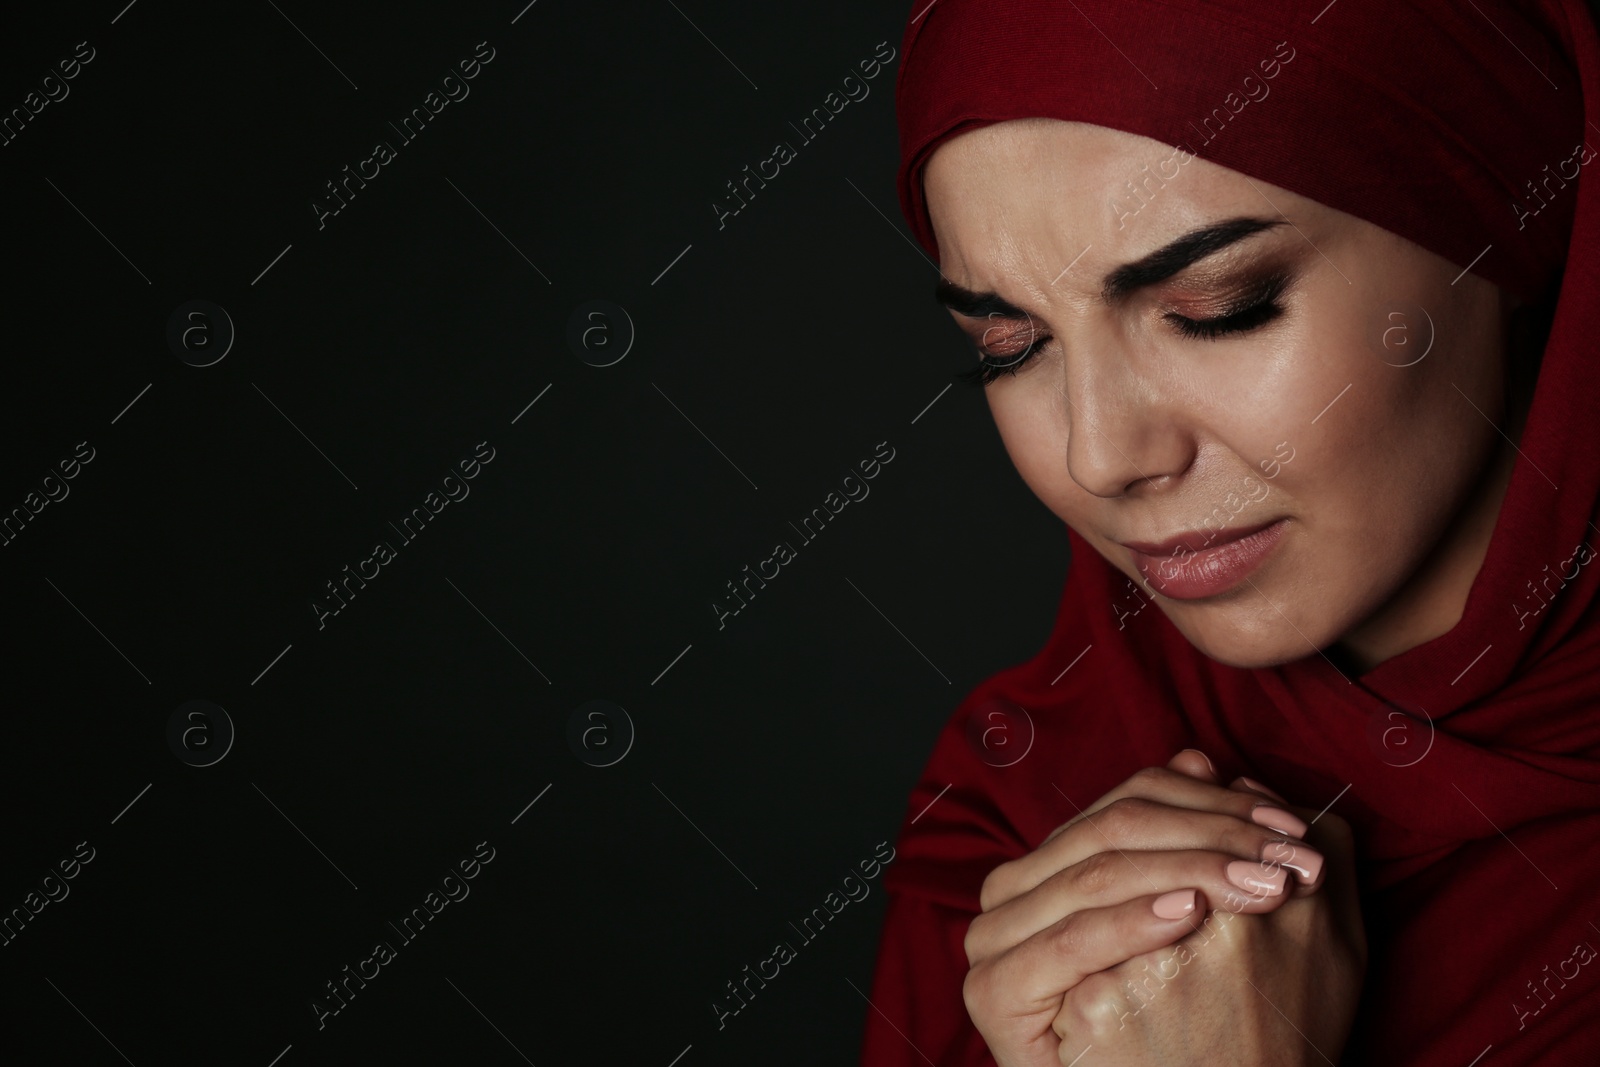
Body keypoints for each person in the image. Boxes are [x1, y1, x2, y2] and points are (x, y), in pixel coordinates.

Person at [860, 1, 1600, 1064]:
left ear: (1506, 232)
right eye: (1009, 345)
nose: (1099, 453)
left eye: (1218, 305)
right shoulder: (1019, 825)